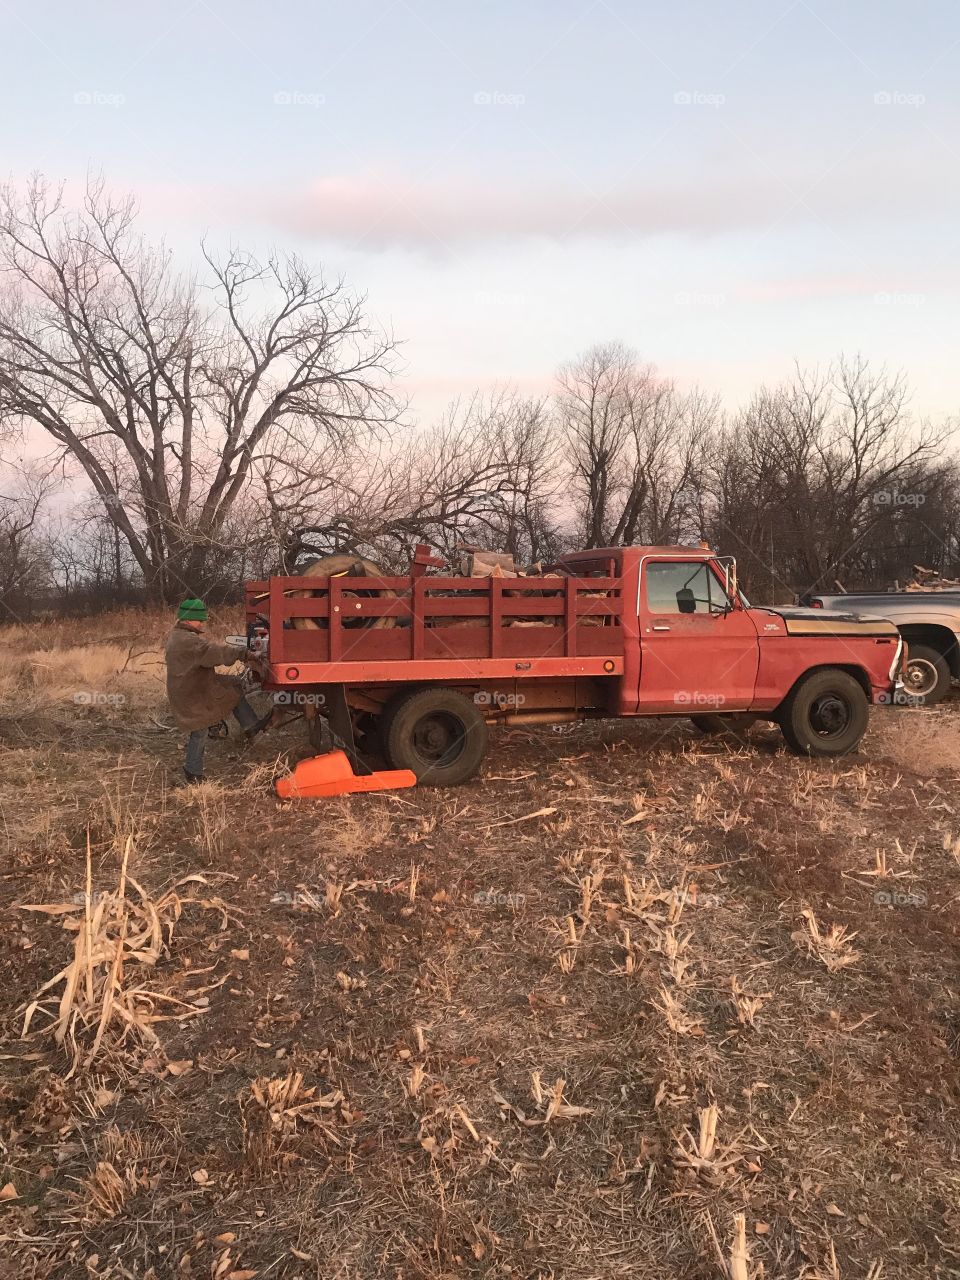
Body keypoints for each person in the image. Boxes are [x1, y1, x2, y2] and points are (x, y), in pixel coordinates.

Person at [165, 598, 272, 784]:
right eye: (200, 620)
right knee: (199, 729)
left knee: (233, 686)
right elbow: (214, 652)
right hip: (193, 693)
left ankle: (251, 725)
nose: (202, 623)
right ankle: (193, 772)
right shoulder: (189, 641)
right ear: (189, 620)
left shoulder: (177, 636)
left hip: (188, 687)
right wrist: (243, 653)